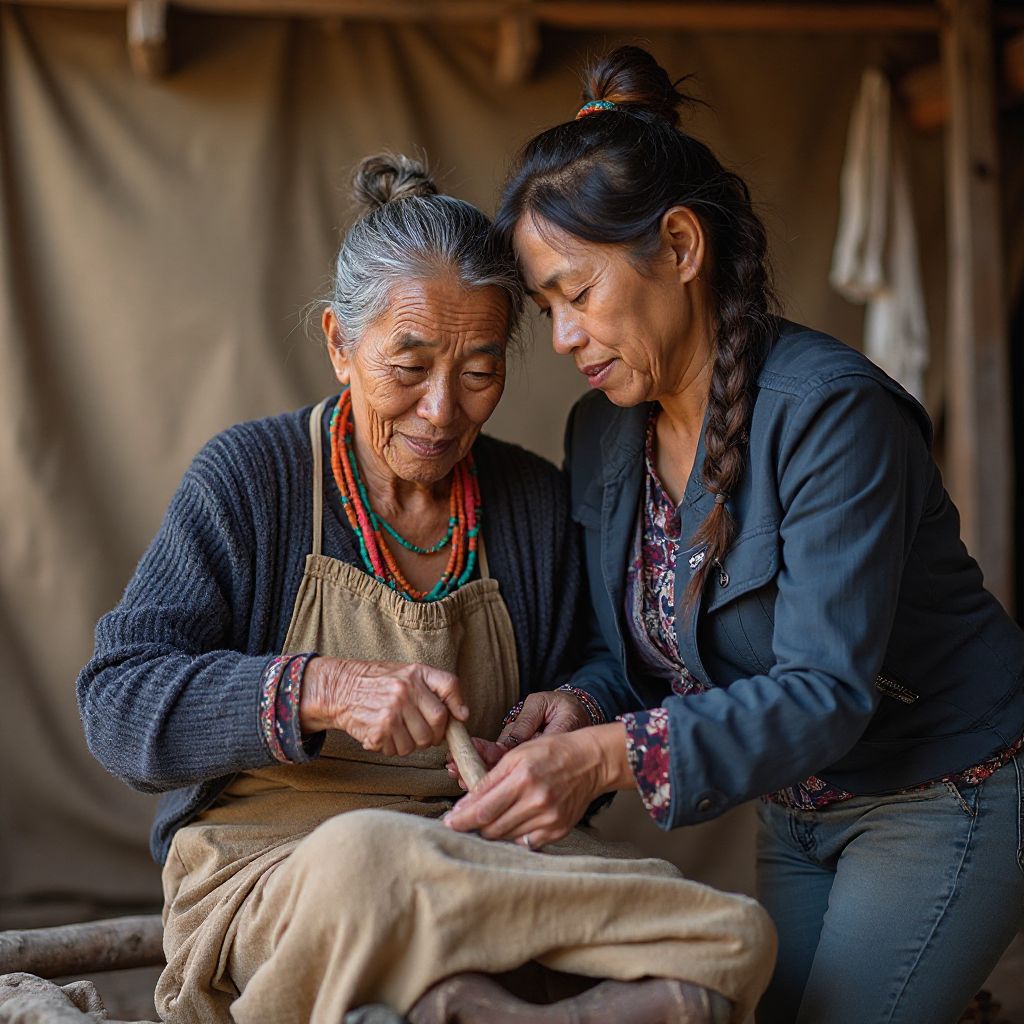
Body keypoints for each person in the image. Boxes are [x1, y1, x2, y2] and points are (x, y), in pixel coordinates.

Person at [76, 153, 774, 1024]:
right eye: (408, 368)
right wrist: (315, 688)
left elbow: (603, 661)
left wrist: (576, 707)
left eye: (480, 372)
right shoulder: (254, 480)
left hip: (482, 853)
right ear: (339, 342)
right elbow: (116, 701)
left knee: (737, 931)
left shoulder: (527, 498)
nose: (443, 411)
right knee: (367, 858)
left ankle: (456, 1003)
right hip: (286, 866)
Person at [443, 46, 1024, 1024]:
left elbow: (825, 690)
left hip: (943, 790)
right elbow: (640, 642)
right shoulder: (602, 433)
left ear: (678, 246)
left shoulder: (830, 415)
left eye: (577, 295)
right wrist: (581, 705)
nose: (562, 339)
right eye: (545, 309)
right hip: (794, 812)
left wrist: (606, 758)